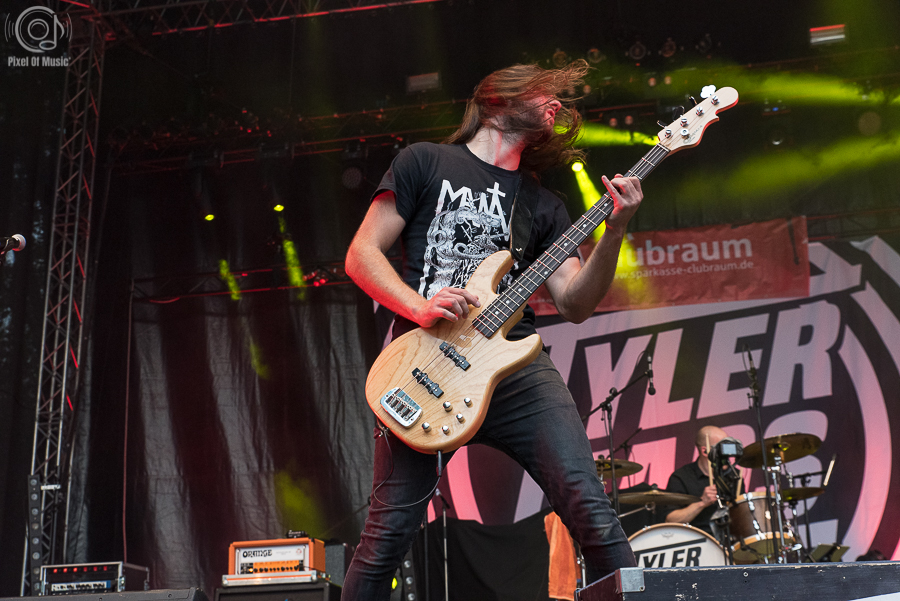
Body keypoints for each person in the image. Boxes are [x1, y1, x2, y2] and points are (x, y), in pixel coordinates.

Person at [342, 59, 643, 600]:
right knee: (387, 534)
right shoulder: (424, 161)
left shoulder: (544, 205)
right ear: (498, 99)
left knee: (590, 509)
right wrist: (419, 307)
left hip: (514, 368)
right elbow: (361, 255)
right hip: (426, 363)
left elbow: (574, 303)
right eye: (544, 93)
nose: (556, 104)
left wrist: (615, 230)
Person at [664, 425, 736, 535]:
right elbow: (671, 520)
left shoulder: (733, 475)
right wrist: (702, 503)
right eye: (722, 447)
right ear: (705, 451)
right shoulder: (681, 477)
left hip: (731, 538)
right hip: (696, 540)